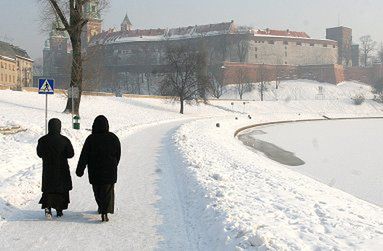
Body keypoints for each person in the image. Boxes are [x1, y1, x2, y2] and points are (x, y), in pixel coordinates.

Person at [76, 115, 121, 222]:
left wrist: (80, 169)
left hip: (95, 171)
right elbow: (118, 154)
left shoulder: (91, 139)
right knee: (108, 191)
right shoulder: (113, 138)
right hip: (110, 171)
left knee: (98, 191)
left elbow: (84, 155)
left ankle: (101, 207)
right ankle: (105, 211)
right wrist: (114, 164)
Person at [37, 118, 74, 219]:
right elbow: (71, 154)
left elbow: (39, 154)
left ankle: (48, 208)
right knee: (61, 190)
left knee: (49, 190)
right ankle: (59, 210)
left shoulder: (42, 140)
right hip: (61, 169)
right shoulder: (65, 140)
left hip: (48, 170)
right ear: (59, 127)